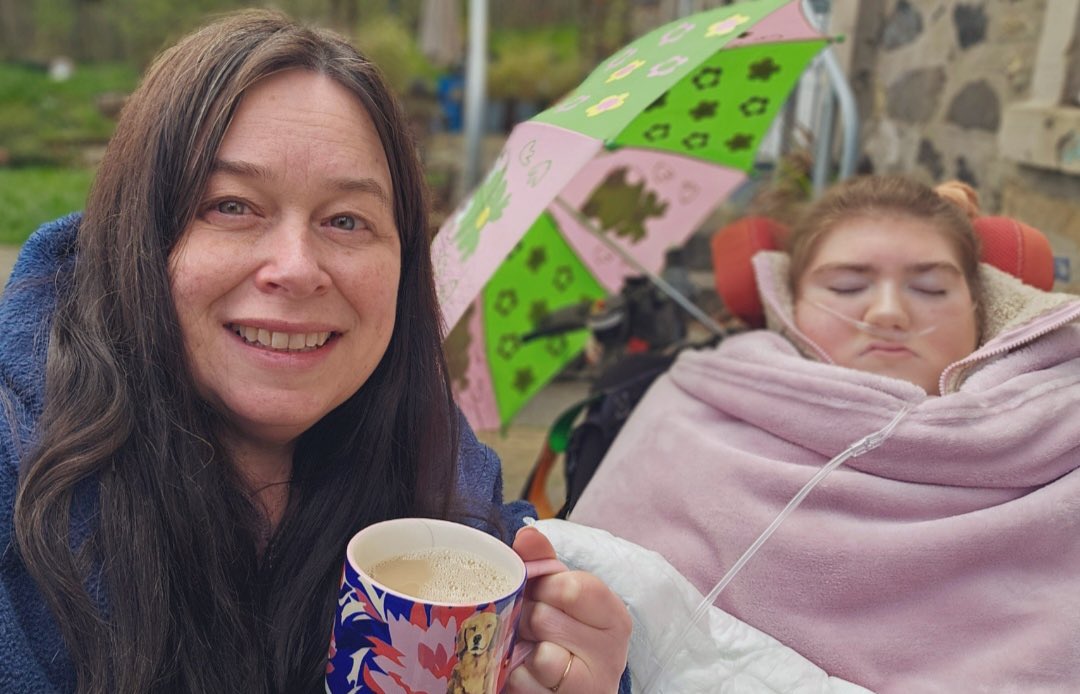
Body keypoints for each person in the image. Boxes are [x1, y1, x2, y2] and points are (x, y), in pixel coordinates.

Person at [0, 10, 630, 693]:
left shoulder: (444, 476)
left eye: (346, 220)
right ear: (137, 237)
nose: (297, 268)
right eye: (232, 206)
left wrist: (573, 670)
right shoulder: (19, 482)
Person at [571, 175, 1080, 692]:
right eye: (846, 287)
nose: (888, 312)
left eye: (930, 288)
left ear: (981, 308)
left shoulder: (1064, 446)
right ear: (789, 306)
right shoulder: (691, 414)